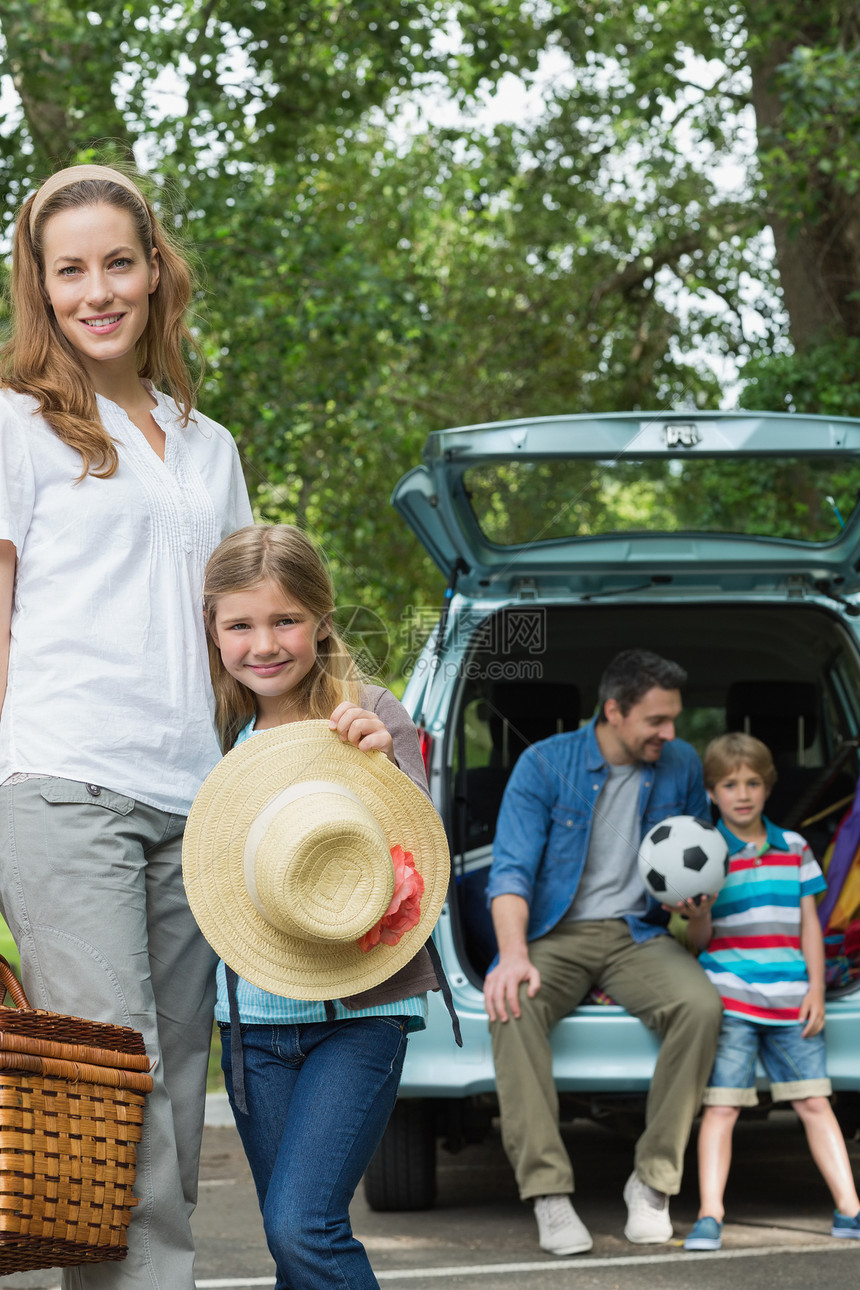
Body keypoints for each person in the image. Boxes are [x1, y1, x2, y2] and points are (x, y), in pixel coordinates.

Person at [0, 163, 252, 1289]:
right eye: (70, 270)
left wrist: (339, 728)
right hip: (60, 786)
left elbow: (245, 631)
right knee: (112, 1084)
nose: (96, 290)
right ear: (39, 287)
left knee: (169, 1096)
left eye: (117, 262)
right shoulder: (13, 426)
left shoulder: (209, 445)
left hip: (194, 798)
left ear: (156, 273)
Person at [181, 522, 452, 1290]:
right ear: (214, 629)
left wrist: (386, 764)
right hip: (251, 1033)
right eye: (240, 624)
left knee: (305, 1227)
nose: (264, 644)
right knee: (290, 1246)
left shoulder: (368, 712)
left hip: (359, 1019)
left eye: (285, 620)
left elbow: (418, 865)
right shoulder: (216, 734)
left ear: (322, 620)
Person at [484, 648, 723, 1255]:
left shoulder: (681, 765)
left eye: (673, 721)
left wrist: (696, 912)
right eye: (657, 722)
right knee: (512, 1002)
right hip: (555, 932)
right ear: (614, 711)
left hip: (637, 935)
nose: (669, 735)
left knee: (699, 1006)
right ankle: (548, 1193)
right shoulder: (544, 765)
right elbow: (509, 872)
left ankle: (652, 1182)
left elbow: (696, 856)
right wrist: (513, 955)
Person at [682, 732, 860, 1251]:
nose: (742, 794)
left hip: (791, 999)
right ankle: (710, 1213)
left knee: (814, 1103)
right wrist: (699, 913)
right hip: (732, 997)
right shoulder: (705, 853)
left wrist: (816, 991)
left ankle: (849, 1207)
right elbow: (700, 941)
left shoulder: (797, 849)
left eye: (753, 782)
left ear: (768, 787)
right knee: (722, 1107)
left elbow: (810, 926)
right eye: (729, 784)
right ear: (712, 793)